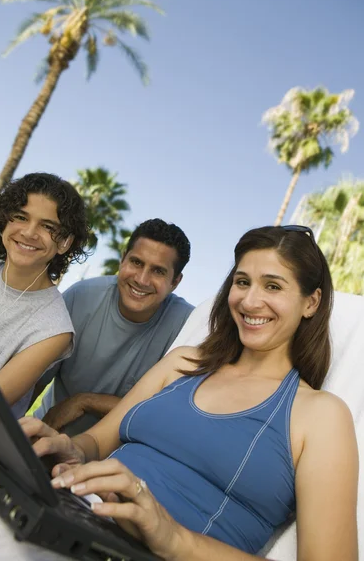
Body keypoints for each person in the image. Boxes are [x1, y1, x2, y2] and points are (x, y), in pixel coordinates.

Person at [24, 225, 359, 561]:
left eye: (273, 286)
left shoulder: (321, 415)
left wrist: (172, 538)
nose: (250, 300)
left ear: (311, 302)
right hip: (77, 520)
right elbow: (96, 442)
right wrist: (69, 449)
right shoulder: (184, 362)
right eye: (242, 282)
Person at [35, 218, 194, 435]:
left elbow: (165, 414)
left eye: (158, 271)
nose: (142, 279)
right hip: (46, 433)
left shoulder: (186, 327)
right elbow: (34, 378)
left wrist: (86, 401)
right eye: (136, 262)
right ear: (122, 260)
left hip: (114, 460)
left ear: (175, 282)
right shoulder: (81, 298)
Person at [0, 172, 89, 418]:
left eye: (47, 226)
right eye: (21, 217)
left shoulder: (54, 330)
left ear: (64, 242)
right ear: (4, 221)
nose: (29, 232)